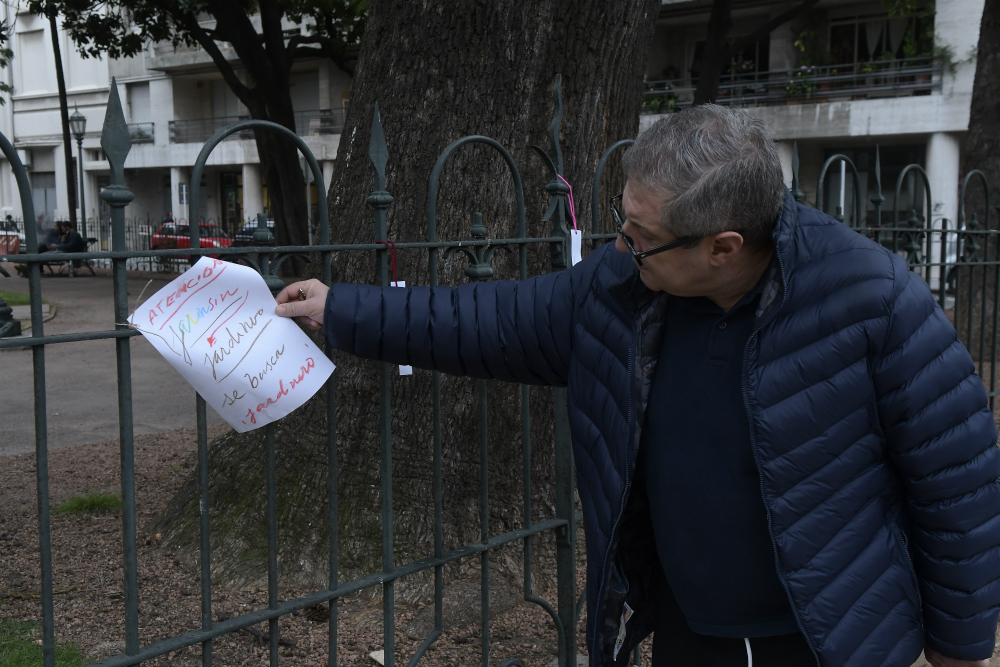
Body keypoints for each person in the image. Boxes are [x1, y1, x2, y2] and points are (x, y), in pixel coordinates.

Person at [274, 105, 1000, 667]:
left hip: (829, 637)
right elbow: (487, 320)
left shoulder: (874, 299)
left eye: (638, 234)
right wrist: (342, 308)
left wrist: (962, 643)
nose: (620, 243)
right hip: (687, 629)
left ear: (724, 248)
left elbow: (956, 477)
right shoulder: (623, 289)